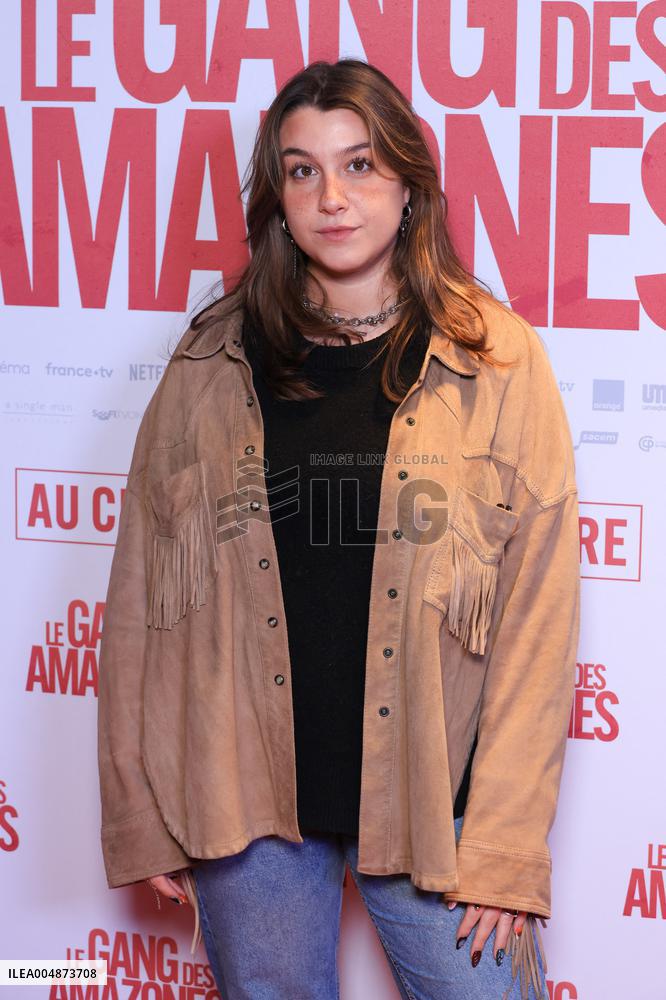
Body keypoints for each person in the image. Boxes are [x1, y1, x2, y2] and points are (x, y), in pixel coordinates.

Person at [97, 59, 581, 1000]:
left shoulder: (498, 360)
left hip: (435, 803)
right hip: (243, 802)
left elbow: (538, 616)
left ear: (409, 183)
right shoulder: (209, 359)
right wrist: (139, 811)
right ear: (277, 199)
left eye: (360, 164)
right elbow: (140, 601)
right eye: (303, 170)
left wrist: (506, 844)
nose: (333, 197)